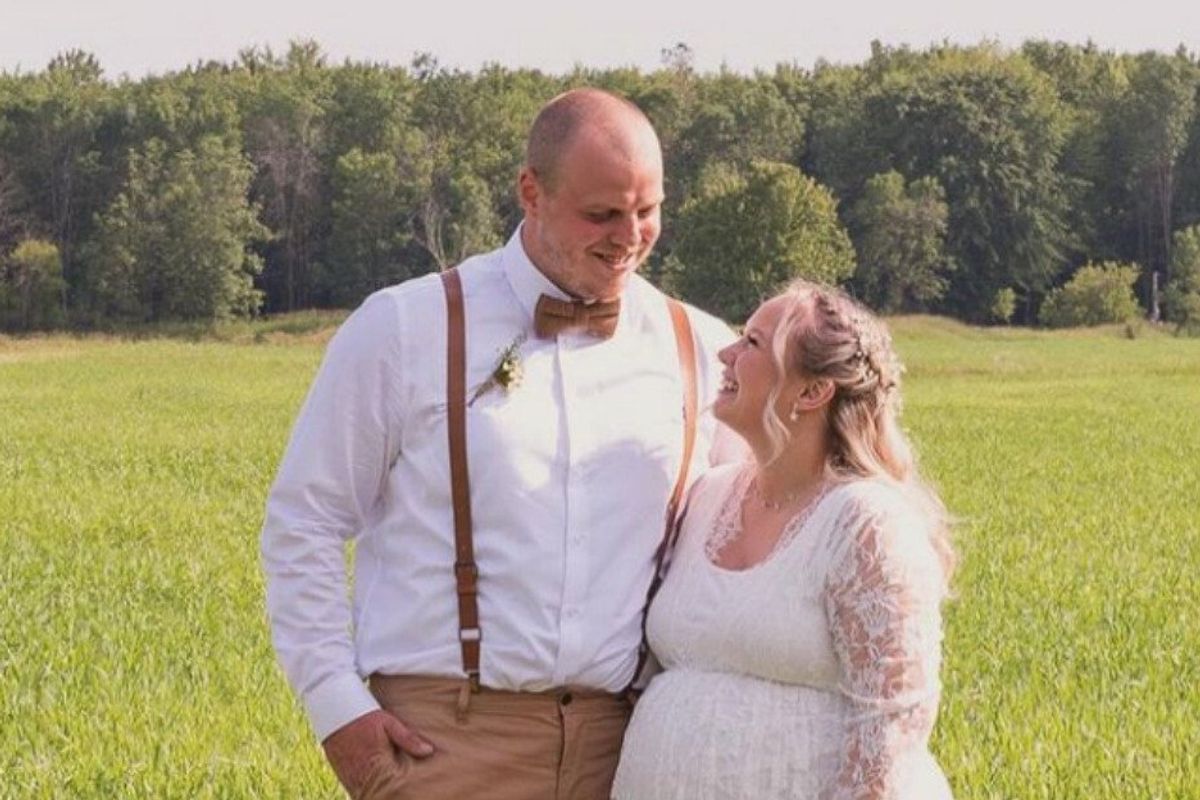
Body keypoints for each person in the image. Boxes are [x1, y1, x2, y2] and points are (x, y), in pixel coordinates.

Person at [260, 88, 737, 800]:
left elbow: (748, 537)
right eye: (602, 214)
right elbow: (306, 520)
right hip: (445, 742)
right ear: (531, 192)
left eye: (648, 210)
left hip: (635, 751)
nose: (629, 236)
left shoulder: (699, 347)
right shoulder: (404, 327)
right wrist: (336, 706)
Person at [612, 281, 955, 799]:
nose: (725, 354)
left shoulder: (865, 523)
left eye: (752, 343)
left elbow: (892, 722)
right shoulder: (707, 496)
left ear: (812, 392)